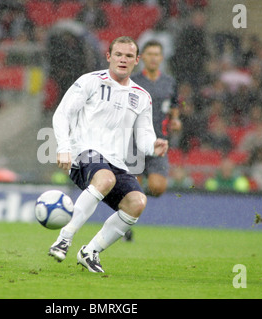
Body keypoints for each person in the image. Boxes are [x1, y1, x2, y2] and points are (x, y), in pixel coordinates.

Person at [49, 36, 168, 273]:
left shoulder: (142, 96)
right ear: (108, 57)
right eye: (118, 55)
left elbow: (144, 135)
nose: (122, 60)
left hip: (116, 162)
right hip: (84, 152)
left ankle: (90, 251)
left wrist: (152, 146)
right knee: (105, 179)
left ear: (137, 60)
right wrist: (63, 147)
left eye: (128, 56)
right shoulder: (90, 81)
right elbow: (62, 114)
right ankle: (65, 237)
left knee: (137, 202)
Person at [131, 40, 181, 197]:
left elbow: (175, 105)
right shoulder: (132, 81)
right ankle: (133, 197)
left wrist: (176, 120)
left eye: (157, 55)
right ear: (142, 57)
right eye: (150, 54)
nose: (153, 58)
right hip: (133, 143)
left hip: (158, 142)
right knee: (132, 191)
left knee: (158, 187)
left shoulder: (170, 82)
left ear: (162, 58)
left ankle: (141, 194)